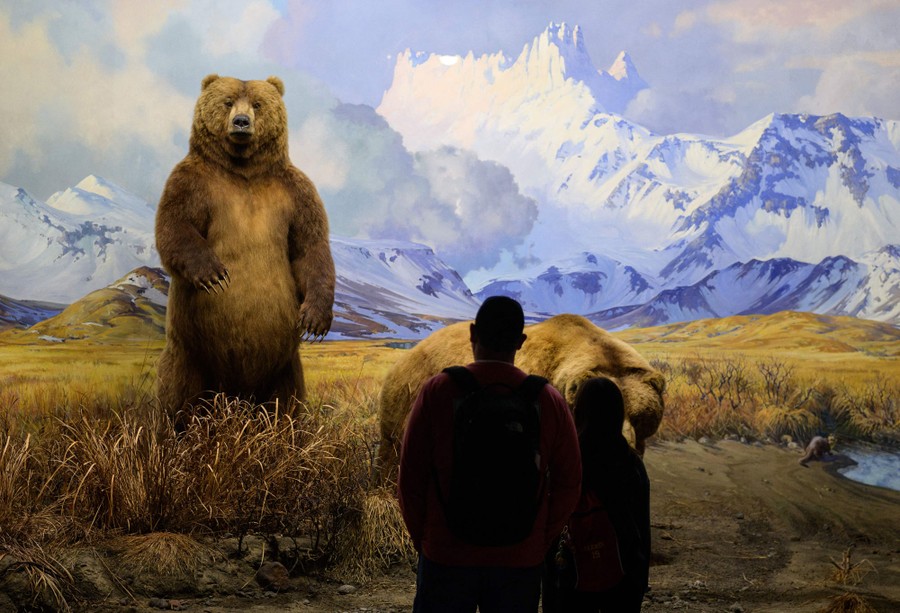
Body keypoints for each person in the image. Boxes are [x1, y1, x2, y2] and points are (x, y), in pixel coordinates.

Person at [398, 296, 582, 613]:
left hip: (446, 553)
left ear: (472, 333)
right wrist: (539, 540)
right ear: (521, 342)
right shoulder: (547, 400)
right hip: (520, 558)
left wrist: (426, 540)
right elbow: (570, 483)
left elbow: (410, 478)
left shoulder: (438, 391)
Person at [544, 377, 650, 613]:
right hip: (623, 573)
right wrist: (640, 581)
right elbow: (642, 528)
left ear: (578, 411)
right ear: (619, 413)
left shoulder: (567, 462)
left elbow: (552, 522)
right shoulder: (630, 463)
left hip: (570, 574)